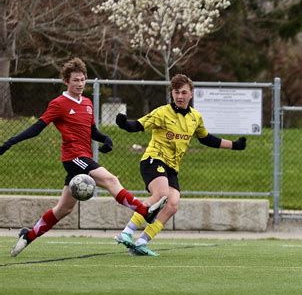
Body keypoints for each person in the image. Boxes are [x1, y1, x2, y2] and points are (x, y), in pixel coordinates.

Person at [0, 57, 167, 257]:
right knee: (110, 179)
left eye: (82, 80)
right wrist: (10, 142)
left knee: (63, 209)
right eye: (75, 80)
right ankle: (144, 211)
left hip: (82, 157)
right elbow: (37, 128)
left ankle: (29, 235)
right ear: (66, 82)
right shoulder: (59, 104)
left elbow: (92, 131)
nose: (80, 84)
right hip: (73, 157)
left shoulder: (87, 103)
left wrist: (106, 139)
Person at [114, 73, 247, 256]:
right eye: (176, 92)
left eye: (184, 92)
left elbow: (206, 139)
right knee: (161, 193)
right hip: (154, 160)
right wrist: (124, 124)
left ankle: (141, 242)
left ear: (191, 94)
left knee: (173, 204)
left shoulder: (195, 117)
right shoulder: (162, 112)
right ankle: (126, 233)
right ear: (172, 93)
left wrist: (235, 146)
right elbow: (138, 125)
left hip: (172, 168)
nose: (180, 96)